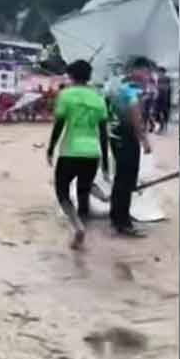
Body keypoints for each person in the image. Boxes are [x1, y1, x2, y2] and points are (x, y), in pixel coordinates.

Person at [46, 60, 110, 250]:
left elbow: (59, 125)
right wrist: (105, 165)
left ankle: (77, 226)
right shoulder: (99, 99)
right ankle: (99, 194)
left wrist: (50, 149)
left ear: (71, 76)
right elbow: (104, 134)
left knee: (62, 192)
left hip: (70, 152)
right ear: (89, 77)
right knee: (83, 189)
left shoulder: (66, 96)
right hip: (93, 153)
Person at [109, 64, 153, 237]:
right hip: (127, 139)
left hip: (116, 137)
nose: (147, 75)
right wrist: (144, 140)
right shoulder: (132, 92)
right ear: (136, 72)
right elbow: (136, 118)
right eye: (145, 71)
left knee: (120, 179)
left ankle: (116, 216)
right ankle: (123, 222)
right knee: (127, 180)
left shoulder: (118, 89)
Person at [155, 68, 172, 133]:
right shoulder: (159, 79)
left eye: (160, 72)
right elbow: (157, 88)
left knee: (164, 113)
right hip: (159, 98)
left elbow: (167, 89)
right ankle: (162, 127)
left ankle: (163, 127)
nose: (159, 74)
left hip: (165, 99)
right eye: (158, 72)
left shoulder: (166, 79)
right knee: (157, 113)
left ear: (163, 72)